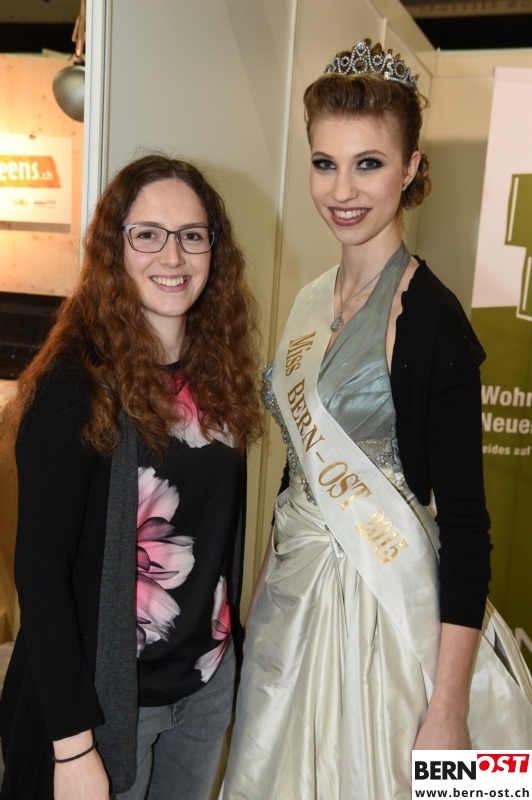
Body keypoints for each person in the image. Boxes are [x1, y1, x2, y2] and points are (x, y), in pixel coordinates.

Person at [222, 39, 532, 800]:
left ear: (410, 168)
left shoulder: (434, 322)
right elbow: (298, 475)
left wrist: (448, 712)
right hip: (291, 604)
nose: (343, 190)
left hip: (383, 622)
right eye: (324, 163)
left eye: (368, 163)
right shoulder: (309, 299)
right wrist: (257, 607)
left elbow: (468, 530)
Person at [0, 154, 262, 800]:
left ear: (215, 250)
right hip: (106, 703)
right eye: (148, 234)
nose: (172, 256)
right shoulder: (73, 386)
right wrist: (72, 746)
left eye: (192, 235)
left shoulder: (219, 375)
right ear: (114, 247)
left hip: (204, 689)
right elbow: (40, 573)